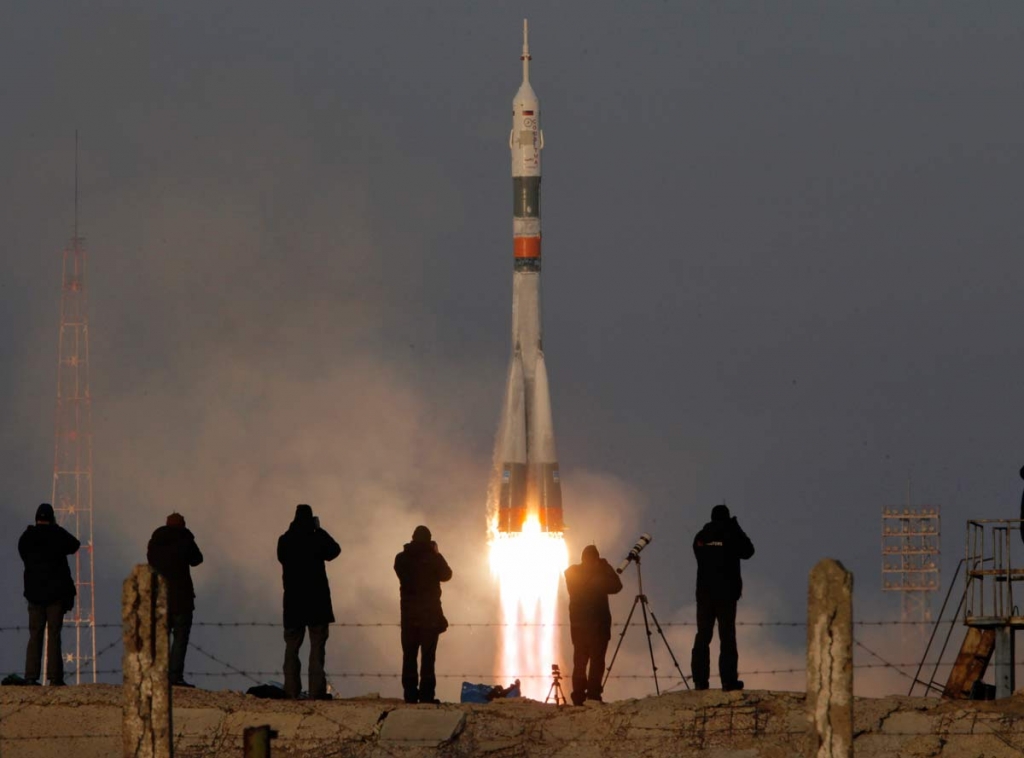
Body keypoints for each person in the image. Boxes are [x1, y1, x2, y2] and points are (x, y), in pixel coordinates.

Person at [277, 504, 341, 699]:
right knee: (317, 647)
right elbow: (334, 551)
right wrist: (319, 529)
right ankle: (316, 691)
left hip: (293, 602)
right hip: (317, 602)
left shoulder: (285, 540)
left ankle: (291, 689)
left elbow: (281, 558)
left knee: (291, 647)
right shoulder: (316, 537)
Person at [690, 503, 755, 692]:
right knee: (727, 636)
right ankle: (728, 681)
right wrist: (735, 527)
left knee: (703, 635)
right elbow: (748, 551)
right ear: (727, 518)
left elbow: (699, 553)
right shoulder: (731, 533)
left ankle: (700, 681)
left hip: (704, 595)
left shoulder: (701, 537)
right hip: (726, 594)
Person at [18, 502, 80, 686]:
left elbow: (22, 551)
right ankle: (55, 677)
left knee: (35, 635)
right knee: (54, 635)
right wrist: (56, 529)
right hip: (55, 596)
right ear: (51, 518)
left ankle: (30, 676)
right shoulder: (57, 535)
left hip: (34, 595)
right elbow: (74, 544)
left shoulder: (28, 537)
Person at [394, 525, 452, 704]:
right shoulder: (433, 558)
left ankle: (410, 694)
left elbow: (402, 572)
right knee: (428, 657)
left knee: (409, 656)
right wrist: (436, 553)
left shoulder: (401, 558)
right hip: (430, 616)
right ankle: (426, 696)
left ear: (412, 538)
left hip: (409, 616)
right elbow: (447, 575)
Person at [147, 512, 204, 688]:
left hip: (159, 598)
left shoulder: (155, 541)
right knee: (180, 638)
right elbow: (197, 559)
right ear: (183, 524)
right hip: (181, 598)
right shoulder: (185, 539)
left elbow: (150, 561)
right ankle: (175, 676)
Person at [563, 545, 623, 705]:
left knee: (580, 662)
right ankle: (593, 695)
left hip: (578, 627)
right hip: (598, 626)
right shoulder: (599, 577)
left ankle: (578, 696)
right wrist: (606, 566)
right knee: (597, 662)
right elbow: (617, 586)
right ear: (596, 560)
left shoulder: (572, 573)